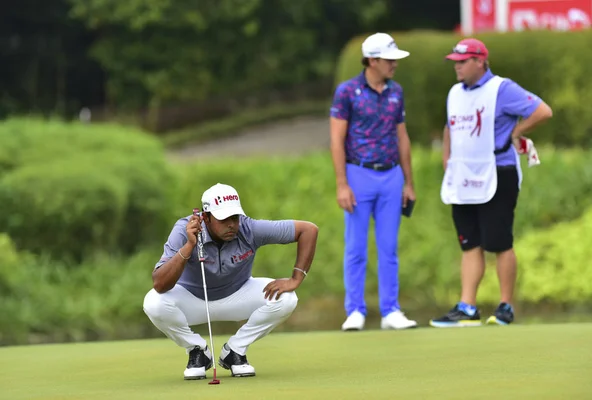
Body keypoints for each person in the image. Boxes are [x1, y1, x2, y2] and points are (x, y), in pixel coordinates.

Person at [430, 38, 553, 328]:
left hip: (498, 172)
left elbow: (542, 111)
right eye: (455, 63)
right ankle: (467, 306)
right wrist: (447, 162)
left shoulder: (502, 88)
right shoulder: (455, 93)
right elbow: (450, 128)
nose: (457, 67)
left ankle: (505, 306)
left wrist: (517, 131)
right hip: (463, 176)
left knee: (499, 241)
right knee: (469, 243)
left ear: (480, 61)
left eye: (462, 62)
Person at [143, 183, 318, 379]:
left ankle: (235, 351)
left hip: (238, 295)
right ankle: (197, 350)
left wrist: (296, 278)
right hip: (192, 300)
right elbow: (160, 284)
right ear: (206, 217)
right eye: (223, 219)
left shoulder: (248, 228)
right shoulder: (184, 230)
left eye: (234, 217)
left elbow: (308, 230)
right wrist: (189, 246)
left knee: (287, 298)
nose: (231, 225)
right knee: (153, 302)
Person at [329, 32, 417, 331]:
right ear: (373, 60)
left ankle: (391, 310)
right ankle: (355, 310)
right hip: (358, 174)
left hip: (391, 175)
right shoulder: (347, 92)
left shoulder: (396, 91)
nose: (394, 64)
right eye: (389, 59)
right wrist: (342, 183)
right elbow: (336, 139)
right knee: (356, 247)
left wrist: (409, 182)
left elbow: (402, 136)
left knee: (389, 247)